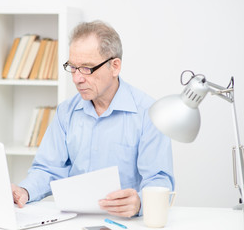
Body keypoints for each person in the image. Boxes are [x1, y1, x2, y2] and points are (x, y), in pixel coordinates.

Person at [11, 20, 174, 217]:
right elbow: (49, 169)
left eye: (87, 68)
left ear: (114, 66)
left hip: (126, 223)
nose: (77, 78)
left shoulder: (149, 113)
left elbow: (159, 181)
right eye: (72, 67)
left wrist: (140, 203)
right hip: (75, 221)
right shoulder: (66, 112)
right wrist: (25, 191)